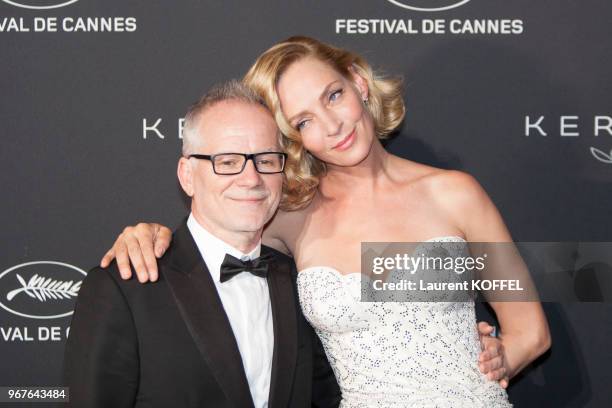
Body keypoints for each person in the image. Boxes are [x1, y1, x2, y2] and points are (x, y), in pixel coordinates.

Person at [101, 37, 551, 406]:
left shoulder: (454, 193)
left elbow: (530, 329)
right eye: (305, 121)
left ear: (358, 82)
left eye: (333, 96)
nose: (333, 126)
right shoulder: (289, 217)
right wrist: (149, 234)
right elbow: (210, 236)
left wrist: (500, 362)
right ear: (292, 138)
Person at [63, 80, 340, 408]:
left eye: (265, 160)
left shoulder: (297, 280)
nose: (251, 178)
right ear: (187, 175)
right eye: (226, 162)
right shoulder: (125, 288)